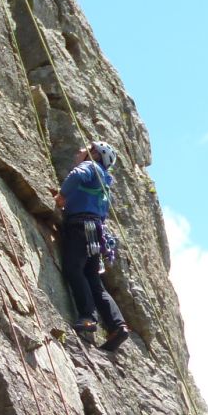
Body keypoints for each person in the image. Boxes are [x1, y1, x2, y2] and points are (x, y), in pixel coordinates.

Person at [54, 140, 131, 353]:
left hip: (80, 227)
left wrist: (62, 196)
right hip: (95, 232)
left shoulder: (90, 166)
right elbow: (102, 212)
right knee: (93, 280)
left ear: (95, 155)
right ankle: (117, 325)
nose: (80, 150)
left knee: (74, 269)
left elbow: (77, 175)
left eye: (87, 148)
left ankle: (88, 317)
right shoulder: (105, 182)